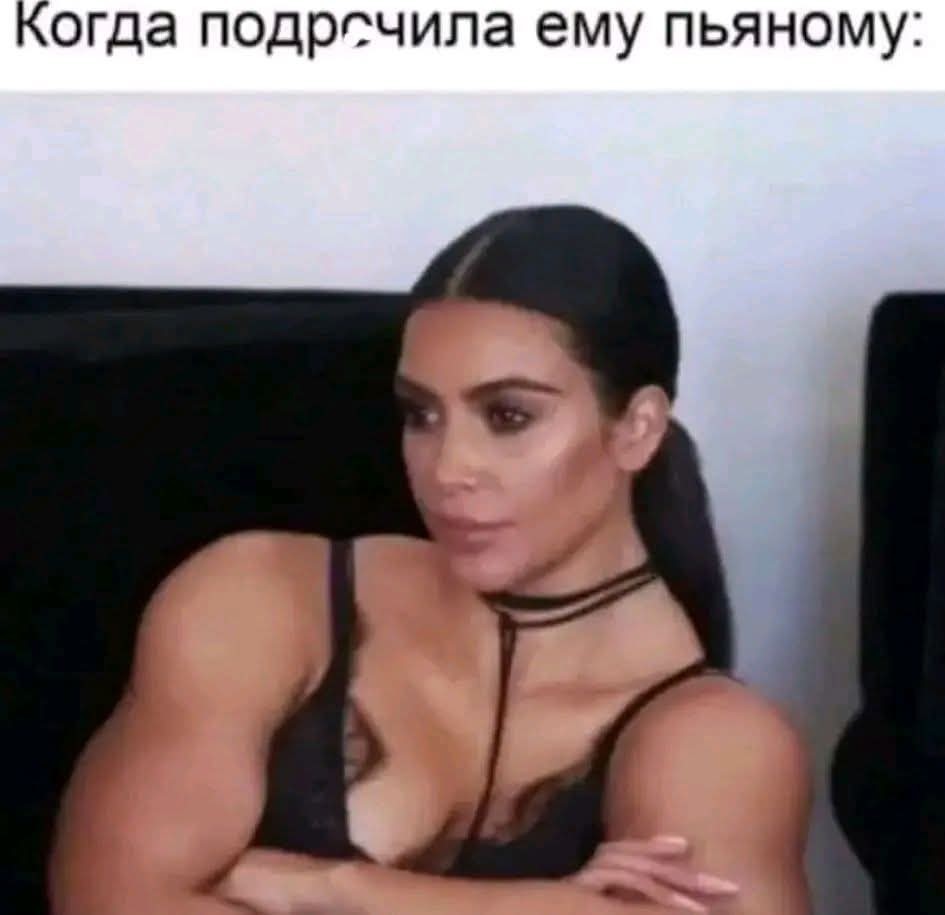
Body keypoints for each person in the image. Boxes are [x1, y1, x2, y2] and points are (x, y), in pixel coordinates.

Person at [48, 205, 812, 915]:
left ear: (636, 427)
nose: (447, 468)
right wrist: (534, 907)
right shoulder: (259, 597)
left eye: (507, 415)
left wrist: (330, 886)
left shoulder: (718, 744)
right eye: (420, 414)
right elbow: (106, 902)